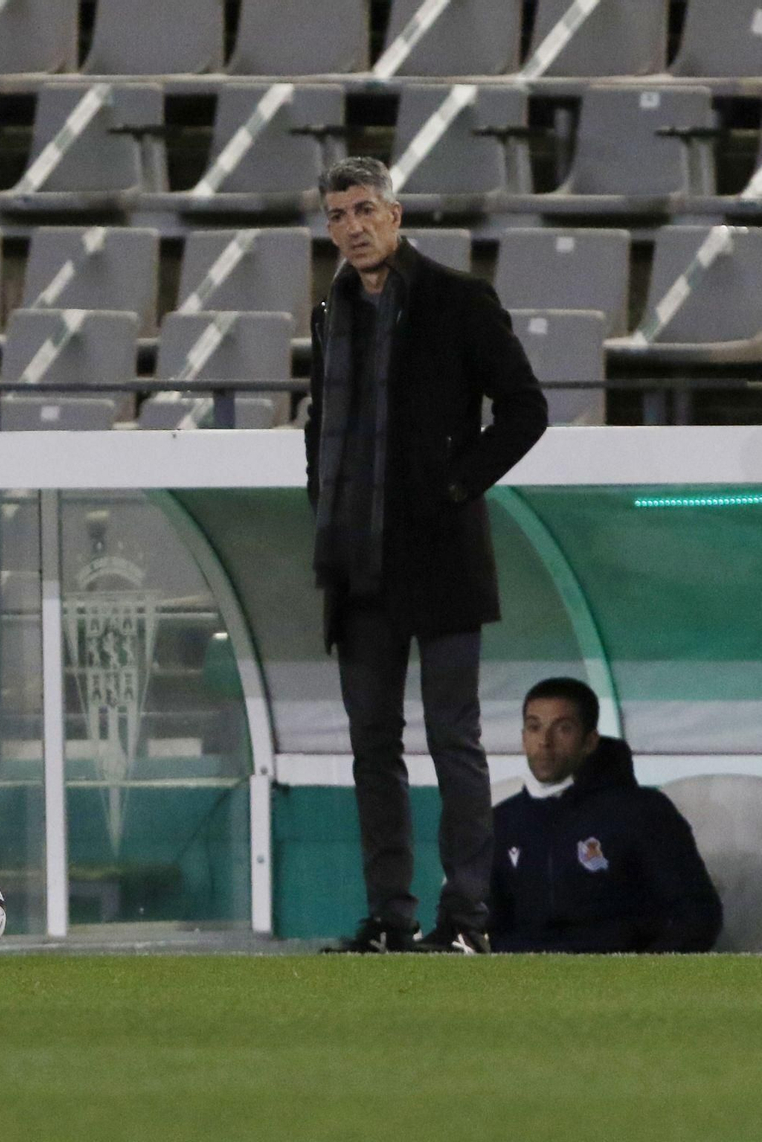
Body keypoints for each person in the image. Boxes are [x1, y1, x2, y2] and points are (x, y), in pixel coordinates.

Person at [306, 158, 549, 954]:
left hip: (440, 556)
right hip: (357, 561)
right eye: (338, 214)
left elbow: (526, 409)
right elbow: (320, 426)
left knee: (453, 738)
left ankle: (467, 920)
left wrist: (453, 485)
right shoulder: (330, 312)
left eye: (363, 209)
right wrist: (323, 501)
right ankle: (390, 917)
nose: (352, 226)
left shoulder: (458, 299)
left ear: (395, 214)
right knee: (372, 747)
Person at [490, 678, 722, 953]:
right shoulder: (501, 821)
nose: (545, 742)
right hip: (523, 976)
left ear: (590, 741)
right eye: (534, 727)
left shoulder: (642, 811)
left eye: (563, 728)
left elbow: (697, 915)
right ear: (523, 737)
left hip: (620, 974)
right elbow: (480, 922)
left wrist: (642, 973)